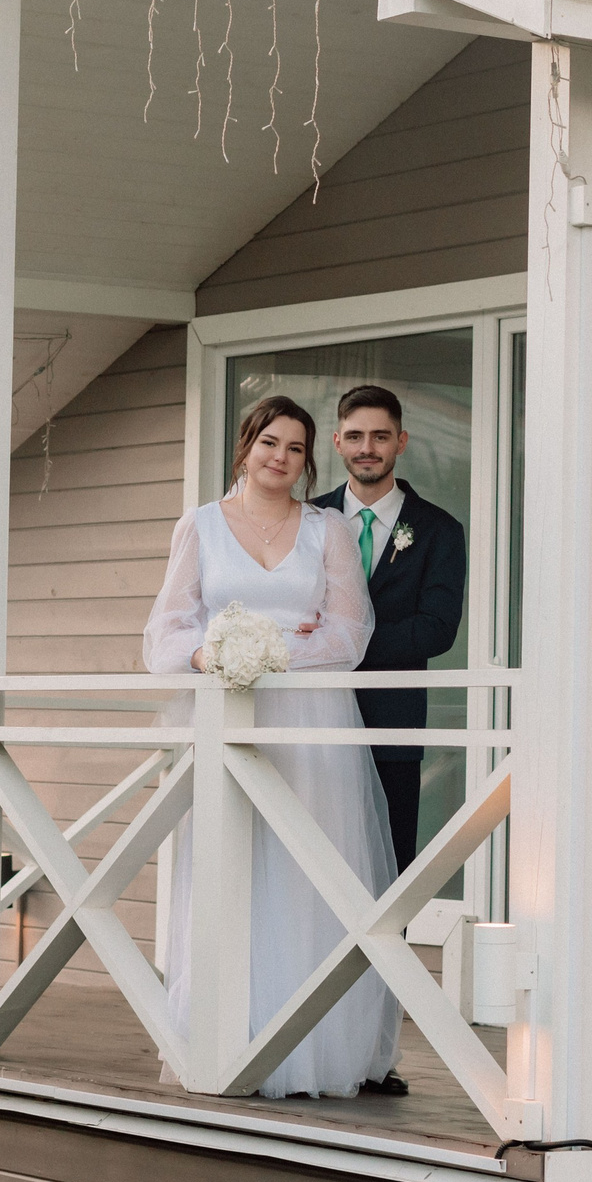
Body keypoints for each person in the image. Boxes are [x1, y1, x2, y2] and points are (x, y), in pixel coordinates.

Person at [144, 395, 404, 1099]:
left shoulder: (327, 531)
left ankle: (311, 1049)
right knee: (232, 865)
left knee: (307, 874)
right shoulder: (199, 526)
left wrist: (271, 653)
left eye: (294, 447)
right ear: (246, 446)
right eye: (269, 443)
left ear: (306, 460)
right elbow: (164, 634)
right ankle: (221, 1035)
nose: (280, 457)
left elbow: (349, 636)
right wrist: (214, 657)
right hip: (227, 710)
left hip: (311, 720)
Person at [311, 385, 467, 874]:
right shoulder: (309, 521)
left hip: (392, 727)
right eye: (355, 436)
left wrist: (342, 641)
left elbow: (437, 630)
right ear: (336, 442)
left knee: (388, 872)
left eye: (380, 436)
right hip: (310, 721)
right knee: (311, 866)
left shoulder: (439, 529)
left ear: (401, 442)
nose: (367, 448)